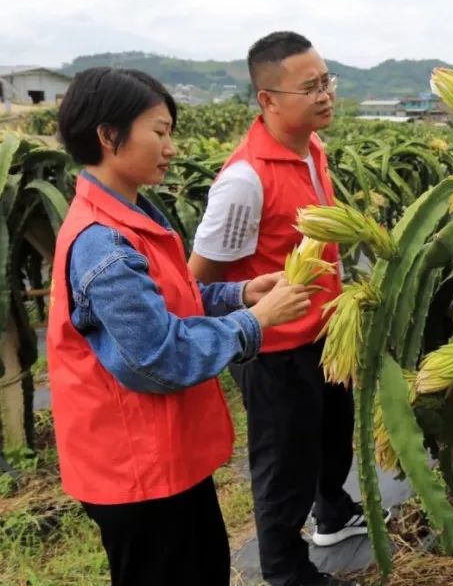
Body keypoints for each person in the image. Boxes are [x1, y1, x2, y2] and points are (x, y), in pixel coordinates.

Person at [47, 67, 316, 586]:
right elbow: (157, 357)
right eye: (160, 131)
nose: (170, 147)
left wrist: (239, 292)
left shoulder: (130, 215)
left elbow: (171, 302)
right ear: (108, 136)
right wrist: (254, 321)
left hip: (161, 456)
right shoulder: (103, 241)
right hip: (135, 469)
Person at [189, 31, 385, 586]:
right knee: (283, 464)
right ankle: (283, 569)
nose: (326, 95)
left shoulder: (311, 150)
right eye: (310, 87)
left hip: (324, 333)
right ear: (268, 100)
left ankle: (332, 513)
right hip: (273, 348)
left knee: (329, 436)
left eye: (328, 82)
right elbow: (198, 278)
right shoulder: (243, 181)